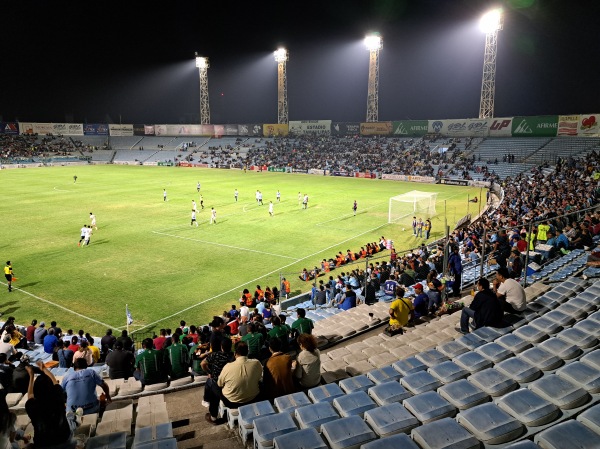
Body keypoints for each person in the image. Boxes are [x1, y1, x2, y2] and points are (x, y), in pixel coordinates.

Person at [205, 341, 262, 425]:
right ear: (247, 352)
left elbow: (219, 384)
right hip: (253, 397)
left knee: (212, 384)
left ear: (235, 353)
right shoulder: (256, 363)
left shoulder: (228, 367)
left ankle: (213, 417)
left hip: (233, 402)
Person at [25, 360, 74, 447]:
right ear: (51, 388)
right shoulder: (58, 396)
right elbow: (54, 381)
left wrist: (31, 376)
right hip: (63, 439)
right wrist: (44, 369)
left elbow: (30, 394)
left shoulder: (32, 406)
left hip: (43, 443)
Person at [200, 338, 234, 413]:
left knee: (209, 382)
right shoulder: (234, 356)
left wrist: (209, 372)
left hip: (218, 383)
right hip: (230, 381)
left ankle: (207, 402)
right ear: (231, 347)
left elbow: (202, 363)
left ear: (221, 347)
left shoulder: (215, 355)